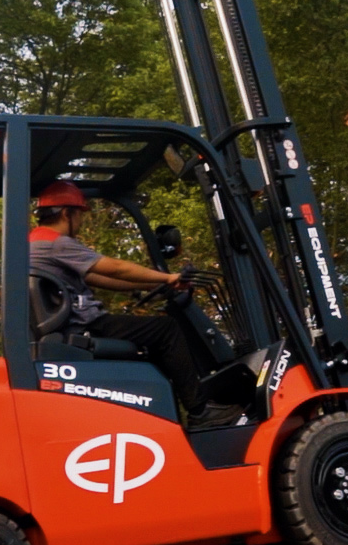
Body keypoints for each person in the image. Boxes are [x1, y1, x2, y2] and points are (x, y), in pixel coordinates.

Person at [29, 180, 244, 430]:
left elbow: (99, 278)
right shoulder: (58, 243)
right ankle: (199, 411)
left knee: (152, 341)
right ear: (67, 213)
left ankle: (170, 414)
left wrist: (144, 286)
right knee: (167, 330)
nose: (81, 222)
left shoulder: (34, 244)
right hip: (85, 325)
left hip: (68, 326)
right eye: (80, 215)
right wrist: (167, 277)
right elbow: (116, 268)